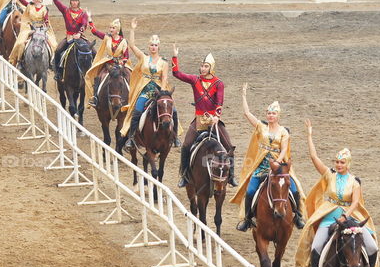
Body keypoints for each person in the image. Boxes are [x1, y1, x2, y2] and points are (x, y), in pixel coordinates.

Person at [295, 120, 380, 267]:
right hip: (329, 216)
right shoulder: (329, 175)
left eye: (342, 163)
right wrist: (309, 135)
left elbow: (355, 202)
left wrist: (345, 216)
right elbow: (314, 158)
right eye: (337, 162)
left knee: (372, 247)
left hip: (351, 218)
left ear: (348, 164)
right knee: (316, 246)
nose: (338, 165)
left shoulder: (354, 182)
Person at [230, 85, 304, 232]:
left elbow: (284, 149)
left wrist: (277, 162)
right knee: (250, 192)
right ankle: (247, 219)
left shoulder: (283, 132)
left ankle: (298, 215)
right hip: (262, 166)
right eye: (269, 113)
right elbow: (247, 113)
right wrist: (244, 95)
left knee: (295, 190)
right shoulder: (261, 127)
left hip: (278, 166)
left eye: (273, 114)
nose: (270, 116)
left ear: (278, 116)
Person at [171, 45, 236, 188]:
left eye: (206, 66)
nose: (202, 69)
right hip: (199, 120)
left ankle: (231, 174)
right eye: (201, 66)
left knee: (229, 146)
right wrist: (175, 56)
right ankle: (185, 175)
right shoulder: (195, 80)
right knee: (186, 145)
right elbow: (177, 73)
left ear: (211, 67)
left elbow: (219, 101)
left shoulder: (219, 83)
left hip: (213, 120)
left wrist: (217, 117)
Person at [120, 19, 179, 149]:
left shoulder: (164, 62)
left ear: (159, 47)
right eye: (151, 45)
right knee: (137, 112)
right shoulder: (143, 57)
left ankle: (175, 137)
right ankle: (131, 137)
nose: (153, 47)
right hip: (145, 90)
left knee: (173, 110)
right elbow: (132, 45)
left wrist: (162, 92)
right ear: (148, 46)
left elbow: (164, 78)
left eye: (155, 45)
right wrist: (133, 29)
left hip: (159, 90)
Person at [84, 15, 130, 107]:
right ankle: (95, 97)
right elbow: (95, 31)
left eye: (113, 28)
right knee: (99, 76)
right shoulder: (106, 37)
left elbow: (126, 56)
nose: (111, 29)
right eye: (110, 27)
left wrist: (122, 63)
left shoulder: (123, 41)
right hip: (108, 64)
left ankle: (131, 98)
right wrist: (90, 20)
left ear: (117, 30)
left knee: (129, 76)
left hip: (120, 65)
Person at [51, 0, 90, 80]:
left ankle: (91, 72)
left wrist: (80, 33)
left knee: (92, 50)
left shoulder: (83, 13)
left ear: (79, 2)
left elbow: (84, 24)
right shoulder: (65, 10)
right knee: (58, 51)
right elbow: (55, 0)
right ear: (70, 1)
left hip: (79, 37)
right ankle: (58, 72)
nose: (74, 2)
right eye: (72, 0)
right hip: (69, 37)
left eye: (76, 0)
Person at [8, 0, 58, 67]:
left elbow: (46, 19)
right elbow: (22, 1)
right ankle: (19, 61)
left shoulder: (45, 9)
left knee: (54, 45)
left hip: (41, 29)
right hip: (30, 28)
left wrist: (46, 25)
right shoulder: (29, 6)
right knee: (20, 43)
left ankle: (51, 62)